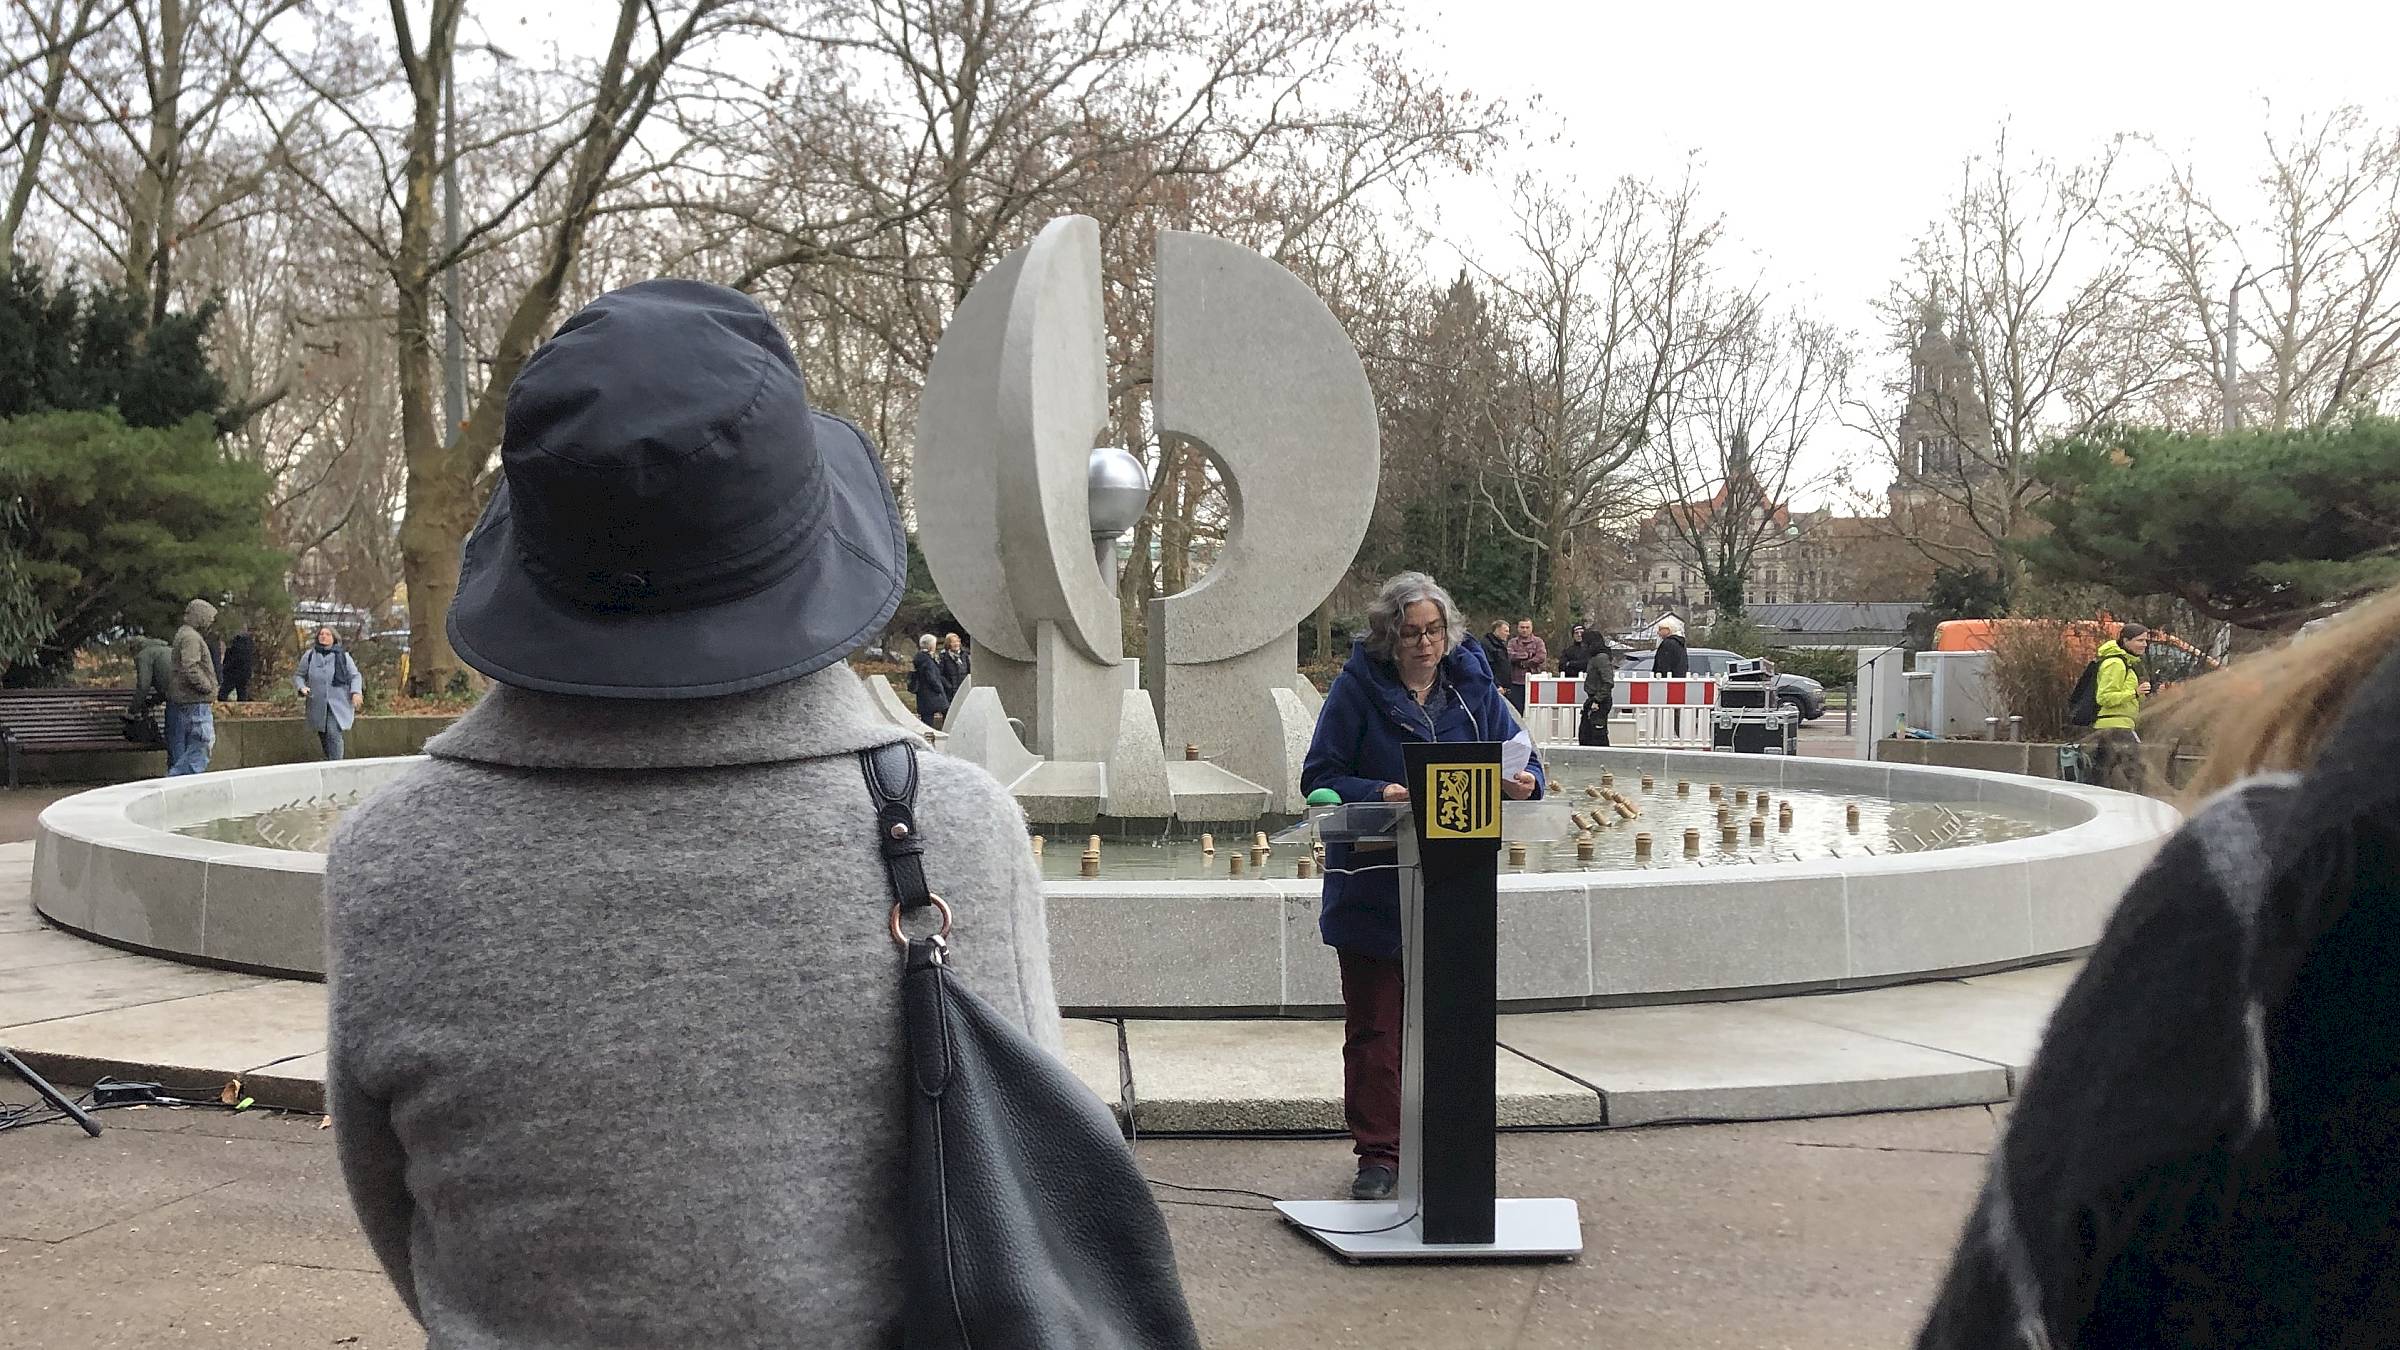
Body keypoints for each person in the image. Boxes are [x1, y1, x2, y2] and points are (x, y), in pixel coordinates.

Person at [324, 279, 1062, 1346]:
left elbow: (405, 1224)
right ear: (812, 541)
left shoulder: (387, 860)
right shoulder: (953, 829)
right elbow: (1026, 1208)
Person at [1916, 586, 2400, 1348]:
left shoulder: (2249, 888)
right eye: (2141, 647)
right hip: (2119, 733)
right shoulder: (2265, 884)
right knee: (2119, 770)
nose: (2141, 654)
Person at [1301, 572, 1545, 1202]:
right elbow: (1320, 776)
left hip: (1453, 887)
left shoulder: (1472, 687)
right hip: (1375, 884)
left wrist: (1525, 784)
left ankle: (1447, 1143)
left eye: (1433, 631)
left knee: (1452, 1022)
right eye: (1410, 633)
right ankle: (1380, 1153)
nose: (1424, 644)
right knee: (1378, 1026)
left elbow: (1525, 759)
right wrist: (1378, 792)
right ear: (1388, 636)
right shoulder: (1357, 690)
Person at [2085, 623, 2152, 790]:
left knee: (2102, 776)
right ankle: (2137, 809)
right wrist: (2134, 692)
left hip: (2117, 726)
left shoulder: (2126, 663)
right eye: (2140, 640)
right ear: (2126, 640)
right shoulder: (2115, 663)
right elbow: (2104, 697)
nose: (2144, 644)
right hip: (2116, 727)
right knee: (2136, 775)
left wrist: (2142, 694)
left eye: (2146, 641)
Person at [165, 599, 219, 775]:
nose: (211, 622)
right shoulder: (191, 638)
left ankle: (176, 783)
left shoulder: (185, 634)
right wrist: (207, 686)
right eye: (209, 618)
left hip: (188, 700)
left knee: (193, 748)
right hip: (195, 700)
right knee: (203, 745)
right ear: (200, 617)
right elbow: (190, 666)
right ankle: (176, 783)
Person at [294, 626, 365, 760]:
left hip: (338, 702)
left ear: (334, 638)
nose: (324, 636)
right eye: (321, 634)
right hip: (317, 702)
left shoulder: (343, 656)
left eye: (327, 634)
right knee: (323, 733)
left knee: (333, 731)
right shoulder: (310, 655)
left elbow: (355, 676)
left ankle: (336, 764)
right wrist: (302, 687)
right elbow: (299, 675)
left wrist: (356, 692)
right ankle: (329, 761)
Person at [120, 635, 172, 747]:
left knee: (174, 742)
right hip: (186, 696)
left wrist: (132, 712)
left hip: (174, 698)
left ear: (134, 648)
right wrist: (153, 701)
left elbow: (143, 686)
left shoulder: (144, 655)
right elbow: (169, 682)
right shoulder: (169, 650)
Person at [1578, 633, 1618, 747]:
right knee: (1587, 733)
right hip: (1594, 699)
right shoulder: (1595, 657)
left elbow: (1608, 681)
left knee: (1597, 734)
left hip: (1599, 700)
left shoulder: (1601, 658)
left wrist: (1597, 700)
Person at [907, 632, 951, 728]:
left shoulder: (919, 658)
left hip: (923, 695)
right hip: (932, 695)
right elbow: (932, 677)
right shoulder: (927, 661)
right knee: (948, 712)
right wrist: (940, 688)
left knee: (926, 720)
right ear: (931, 646)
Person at [1504, 617, 1548, 711]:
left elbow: (1541, 657)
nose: (1524, 630)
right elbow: (1510, 655)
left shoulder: (1538, 642)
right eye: (1522, 627)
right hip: (1516, 682)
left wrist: (1526, 663)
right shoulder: (1512, 642)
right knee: (1516, 710)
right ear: (1518, 628)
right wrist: (1527, 655)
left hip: (1534, 681)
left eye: (1527, 627)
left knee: (1534, 711)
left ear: (1531, 628)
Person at [219, 628, 256, 702]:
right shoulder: (249, 643)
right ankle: (242, 708)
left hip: (232, 671)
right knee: (242, 691)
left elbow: (231, 658)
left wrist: (225, 667)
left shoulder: (235, 642)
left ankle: (221, 706)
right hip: (245, 671)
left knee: (223, 692)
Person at [1479, 619, 1513, 692]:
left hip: (1504, 688)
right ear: (1497, 630)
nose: (1508, 634)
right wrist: (1496, 685)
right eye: (1506, 631)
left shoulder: (1501, 645)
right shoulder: (1487, 645)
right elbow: (1488, 666)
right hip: (1495, 688)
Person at [939, 630, 971, 695]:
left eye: (957, 641)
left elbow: (969, 671)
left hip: (964, 689)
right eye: (953, 642)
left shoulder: (964, 655)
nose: (956, 644)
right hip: (951, 691)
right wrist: (949, 686)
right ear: (948, 644)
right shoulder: (943, 657)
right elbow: (940, 675)